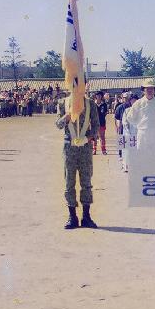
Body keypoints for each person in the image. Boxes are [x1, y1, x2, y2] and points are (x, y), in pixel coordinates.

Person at [55, 91, 100, 229]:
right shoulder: (63, 103)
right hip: (70, 147)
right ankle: (72, 216)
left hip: (85, 147)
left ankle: (86, 217)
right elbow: (58, 124)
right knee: (69, 182)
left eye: (79, 82)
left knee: (86, 181)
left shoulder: (90, 104)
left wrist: (89, 138)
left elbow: (96, 125)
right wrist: (67, 116)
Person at [127, 78, 155, 150]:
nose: (149, 90)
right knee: (142, 156)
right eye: (147, 88)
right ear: (143, 90)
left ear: (154, 90)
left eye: (151, 88)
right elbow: (130, 117)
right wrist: (139, 125)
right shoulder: (138, 103)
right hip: (142, 134)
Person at [92, 91, 108, 155]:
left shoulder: (104, 104)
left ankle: (103, 150)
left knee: (102, 137)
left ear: (101, 96)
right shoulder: (93, 104)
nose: (98, 96)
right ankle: (94, 150)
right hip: (94, 123)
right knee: (94, 137)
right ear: (96, 96)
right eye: (97, 95)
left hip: (102, 123)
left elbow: (106, 113)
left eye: (100, 95)